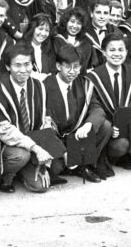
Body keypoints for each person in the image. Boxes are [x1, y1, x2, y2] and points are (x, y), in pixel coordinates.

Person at [0, 44, 60, 193]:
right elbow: (4, 130)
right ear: (8, 66)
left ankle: (23, 171)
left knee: (47, 179)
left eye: (27, 64)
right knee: (21, 156)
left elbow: (45, 120)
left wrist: (46, 150)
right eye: (17, 65)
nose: (23, 70)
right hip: (8, 146)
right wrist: (35, 148)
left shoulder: (38, 86)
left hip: (32, 141)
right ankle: (5, 176)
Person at [84, 33, 131, 176]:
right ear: (103, 52)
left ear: (126, 52)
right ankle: (98, 159)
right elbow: (94, 106)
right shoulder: (94, 77)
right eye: (112, 50)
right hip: (105, 130)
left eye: (121, 50)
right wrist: (110, 126)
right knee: (117, 142)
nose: (117, 54)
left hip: (127, 127)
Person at [43, 44, 111, 182]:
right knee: (55, 168)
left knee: (105, 125)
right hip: (56, 139)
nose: (72, 71)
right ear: (58, 66)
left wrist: (88, 125)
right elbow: (43, 124)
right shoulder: (45, 86)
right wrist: (63, 152)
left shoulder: (83, 83)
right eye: (68, 67)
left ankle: (84, 165)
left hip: (77, 137)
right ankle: (68, 162)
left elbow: (97, 109)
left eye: (77, 67)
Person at [53, 6, 94, 72]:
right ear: (66, 22)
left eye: (79, 23)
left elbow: (86, 67)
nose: (74, 26)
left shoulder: (86, 44)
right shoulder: (57, 40)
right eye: (72, 21)